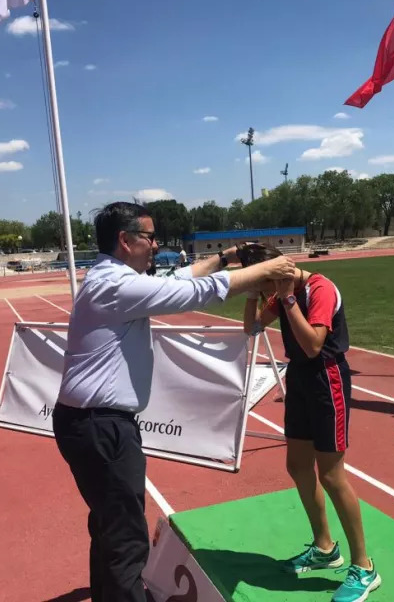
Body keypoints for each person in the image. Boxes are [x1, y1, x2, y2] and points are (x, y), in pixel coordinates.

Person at [51, 203, 295, 602]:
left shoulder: (112, 279)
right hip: (101, 427)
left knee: (110, 525)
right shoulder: (115, 285)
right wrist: (267, 270)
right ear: (125, 240)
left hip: (89, 423)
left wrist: (225, 258)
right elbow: (191, 293)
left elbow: (175, 279)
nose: (155, 245)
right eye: (150, 237)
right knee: (127, 536)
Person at [238, 242, 381, 602]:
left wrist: (287, 299)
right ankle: (325, 548)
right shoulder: (278, 292)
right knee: (298, 465)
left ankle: (364, 567)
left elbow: (313, 345)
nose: (265, 292)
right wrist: (253, 294)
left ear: (278, 274)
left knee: (331, 475)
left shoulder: (319, 289)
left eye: (262, 282)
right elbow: (252, 328)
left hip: (326, 378)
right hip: (300, 378)